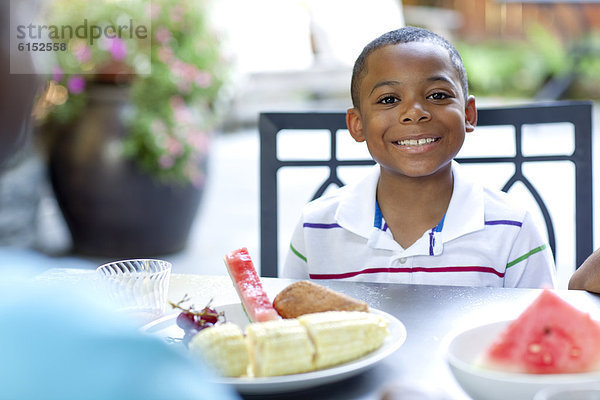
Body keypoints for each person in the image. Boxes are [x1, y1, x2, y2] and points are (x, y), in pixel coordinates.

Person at [282, 26, 556, 288]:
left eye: (437, 95)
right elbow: (289, 326)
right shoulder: (315, 227)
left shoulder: (514, 229)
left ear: (468, 114)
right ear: (357, 125)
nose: (415, 112)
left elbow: (546, 332)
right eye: (388, 99)